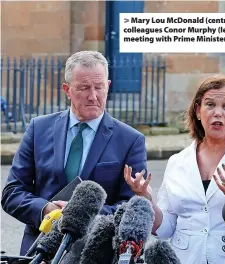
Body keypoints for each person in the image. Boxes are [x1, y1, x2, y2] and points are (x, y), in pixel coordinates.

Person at [1, 50, 147, 255]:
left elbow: (131, 207)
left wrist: (81, 214)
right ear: (67, 89)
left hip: (95, 254)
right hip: (40, 251)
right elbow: (12, 193)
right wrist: (47, 210)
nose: (93, 96)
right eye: (83, 88)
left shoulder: (131, 140)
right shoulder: (38, 129)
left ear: (108, 86)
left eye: (99, 87)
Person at [124, 75, 225, 264]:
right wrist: (146, 198)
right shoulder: (177, 161)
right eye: (210, 105)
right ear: (198, 110)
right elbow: (165, 228)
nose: (218, 113)